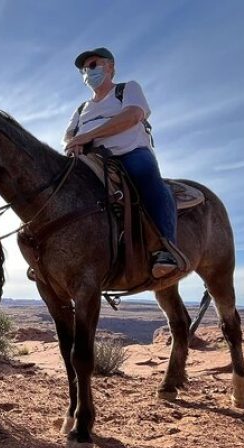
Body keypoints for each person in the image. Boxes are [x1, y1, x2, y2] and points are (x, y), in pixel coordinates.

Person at [63, 47, 178, 278]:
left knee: (147, 178)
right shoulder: (81, 109)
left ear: (110, 67)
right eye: (84, 69)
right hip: (90, 159)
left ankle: (166, 248)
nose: (88, 72)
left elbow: (133, 114)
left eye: (93, 65)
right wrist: (74, 143)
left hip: (130, 153)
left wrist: (87, 136)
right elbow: (68, 135)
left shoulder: (127, 89)